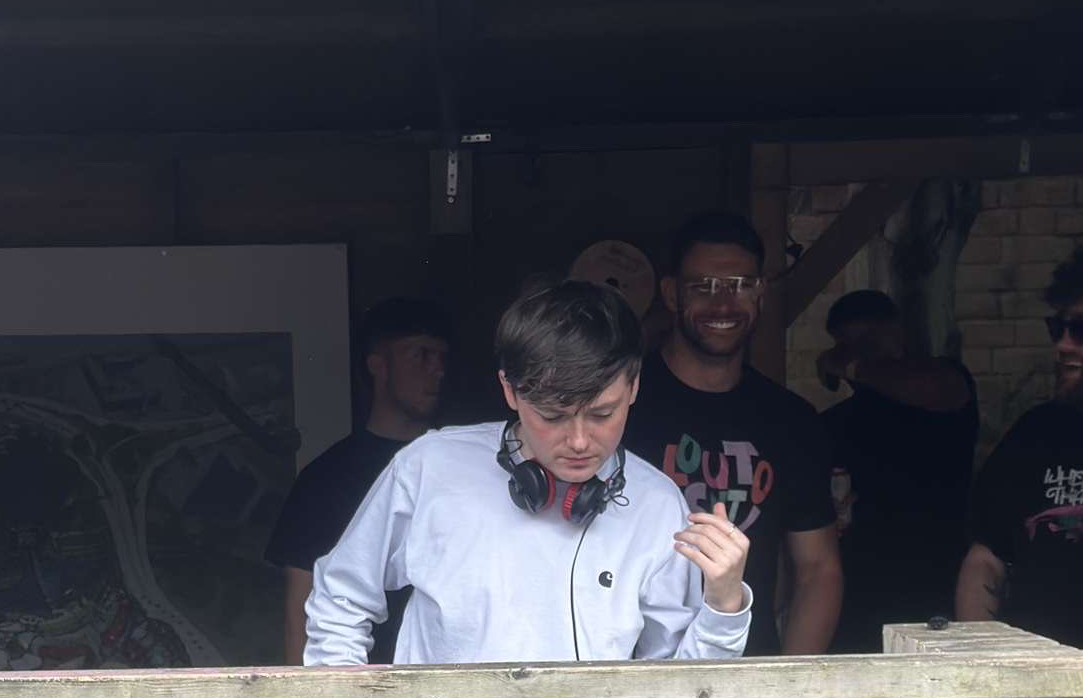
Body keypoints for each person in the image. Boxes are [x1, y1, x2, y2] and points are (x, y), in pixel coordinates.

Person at [303, 281, 751, 666]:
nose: (580, 441)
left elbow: (679, 685)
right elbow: (341, 598)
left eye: (602, 414)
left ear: (633, 386)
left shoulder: (657, 504)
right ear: (510, 390)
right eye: (553, 417)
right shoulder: (428, 468)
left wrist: (725, 605)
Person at [625, 211, 843, 655]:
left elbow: (818, 569)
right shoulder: (621, 406)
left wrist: (790, 685)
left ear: (761, 293)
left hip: (749, 670)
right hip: (632, 672)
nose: (723, 304)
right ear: (671, 293)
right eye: (703, 287)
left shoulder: (791, 421)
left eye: (740, 285)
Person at [267, 297, 450, 663]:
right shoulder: (325, 479)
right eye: (420, 355)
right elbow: (300, 611)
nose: (438, 370)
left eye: (441, 357)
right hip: (357, 680)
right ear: (378, 364)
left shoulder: (459, 468)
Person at [818, 290, 979, 650]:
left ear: (898, 333)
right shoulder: (835, 423)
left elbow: (930, 388)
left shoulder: (943, 383)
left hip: (935, 585)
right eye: (849, 346)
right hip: (856, 595)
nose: (861, 354)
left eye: (871, 341)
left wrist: (850, 365)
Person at [956, 248, 1083, 645]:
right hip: (1035, 675)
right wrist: (981, 660)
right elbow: (986, 558)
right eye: (1057, 328)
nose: (1063, 345)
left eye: (1080, 330)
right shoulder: (1037, 432)